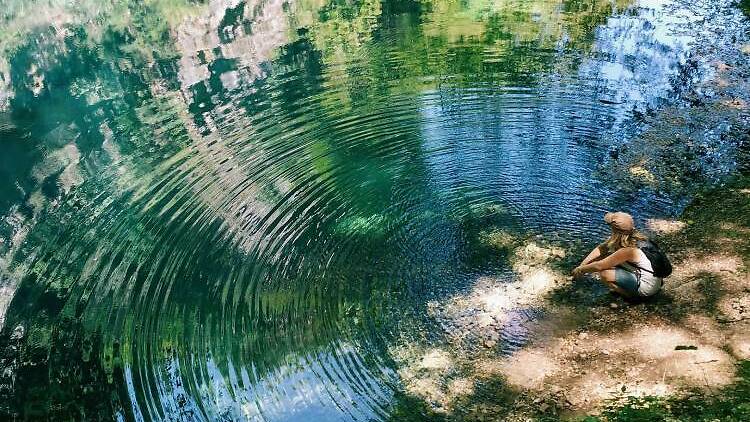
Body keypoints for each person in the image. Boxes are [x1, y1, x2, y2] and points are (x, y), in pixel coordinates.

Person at [571, 212, 663, 298]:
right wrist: (582, 265)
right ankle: (631, 288)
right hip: (654, 280)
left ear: (615, 231)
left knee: (604, 273)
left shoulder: (628, 251)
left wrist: (579, 270)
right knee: (606, 257)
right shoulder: (636, 238)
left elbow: (599, 266)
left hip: (647, 288)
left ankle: (631, 297)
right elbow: (601, 249)